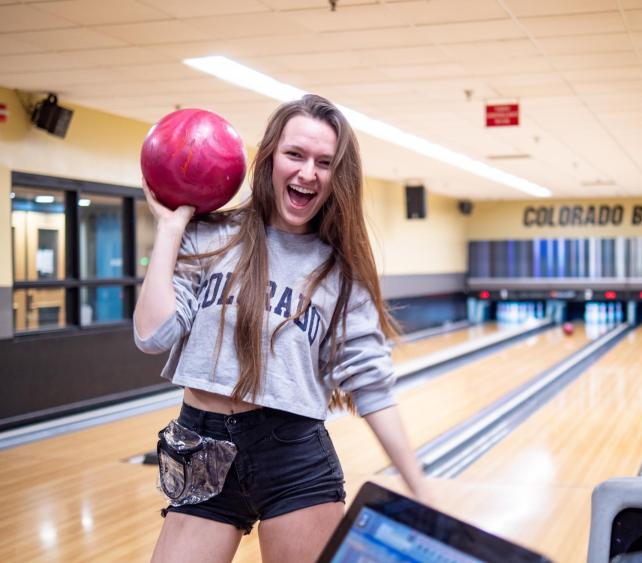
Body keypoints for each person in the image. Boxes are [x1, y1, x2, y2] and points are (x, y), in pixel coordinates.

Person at [134, 94, 428, 563]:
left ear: (338, 176)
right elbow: (153, 336)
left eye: (325, 162)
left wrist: (421, 488)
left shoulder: (339, 271)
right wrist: (170, 230)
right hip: (199, 447)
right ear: (269, 156)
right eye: (296, 154)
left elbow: (371, 386)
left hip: (293, 457)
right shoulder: (209, 236)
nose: (308, 172)